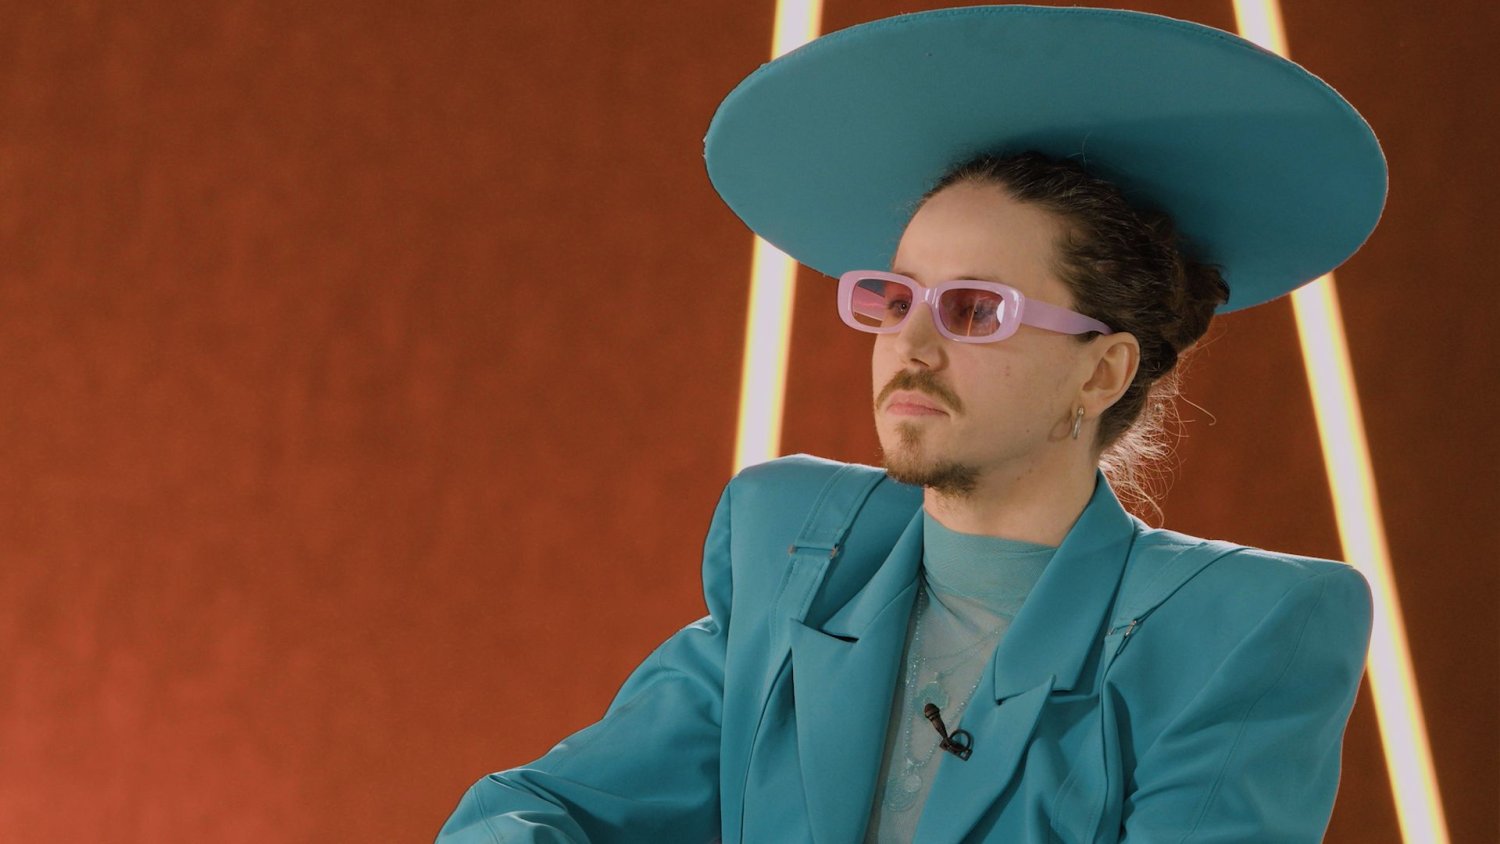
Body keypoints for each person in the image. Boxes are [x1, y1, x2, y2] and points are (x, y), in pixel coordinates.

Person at [437, 6, 1383, 843]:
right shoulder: (795, 547)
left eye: (974, 310)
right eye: (896, 299)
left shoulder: (1245, 629)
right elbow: (545, 808)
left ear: (1101, 372)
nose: (910, 345)